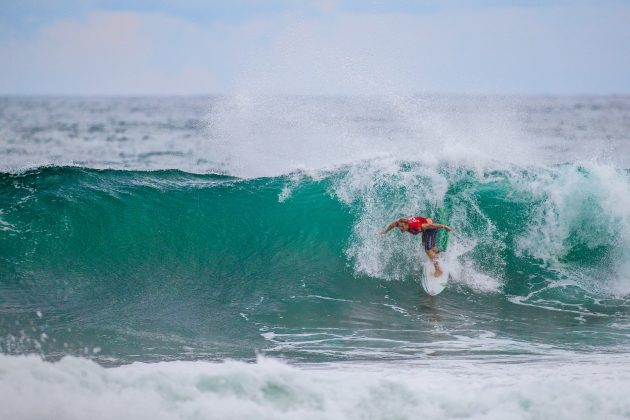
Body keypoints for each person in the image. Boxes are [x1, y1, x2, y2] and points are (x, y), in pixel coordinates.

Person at [380, 216, 452, 277]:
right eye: (399, 226)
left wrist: (444, 227)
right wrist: (385, 232)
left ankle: (438, 270)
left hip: (431, 228)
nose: (400, 228)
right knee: (427, 245)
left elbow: (431, 226)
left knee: (428, 250)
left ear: (407, 224)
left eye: (402, 227)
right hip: (425, 228)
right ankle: (439, 254)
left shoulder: (416, 226)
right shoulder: (399, 223)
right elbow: (392, 225)